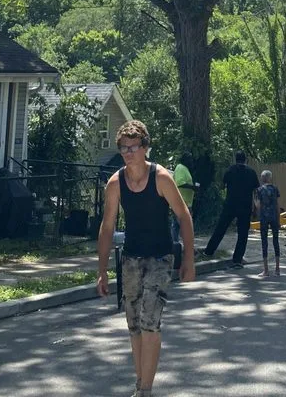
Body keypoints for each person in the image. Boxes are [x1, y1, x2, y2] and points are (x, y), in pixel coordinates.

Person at [97, 119, 195, 397]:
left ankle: (146, 390)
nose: (128, 153)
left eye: (134, 147)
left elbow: (183, 215)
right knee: (134, 324)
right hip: (130, 258)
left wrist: (188, 258)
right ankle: (140, 383)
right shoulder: (116, 183)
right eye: (123, 148)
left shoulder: (161, 177)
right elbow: (106, 227)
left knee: (150, 320)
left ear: (145, 148)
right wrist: (102, 270)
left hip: (160, 258)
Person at [202, 150, 259, 267]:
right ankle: (237, 259)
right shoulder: (251, 172)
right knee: (243, 234)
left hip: (230, 204)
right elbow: (255, 191)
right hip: (245, 206)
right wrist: (255, 207)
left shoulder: (230, 170)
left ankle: (209, 251)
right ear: (246, 160)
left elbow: (223, 186)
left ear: (235, 159)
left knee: (221, 228)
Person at [255, 169, 281, 277]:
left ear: (262, 178)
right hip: (274, 217)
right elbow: (277, 205)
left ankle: (266, 270)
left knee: (264, 242)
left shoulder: (259, 190)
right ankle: (277, 269)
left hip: (264, 217)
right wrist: (279, 219)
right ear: (270, 178)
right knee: (276, 241)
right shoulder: (275, 189)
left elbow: (258, 206)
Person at [171, 151, 198, 244]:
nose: (191, 161)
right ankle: (189, 248)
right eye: (189, 159)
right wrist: (193, 187)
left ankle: (174, 245)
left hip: (184, 202)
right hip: (182, 202)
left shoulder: (184, 168)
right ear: (185, 159)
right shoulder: (180, 168)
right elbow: (180, 183)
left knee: (176, 225)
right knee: (186, 226)